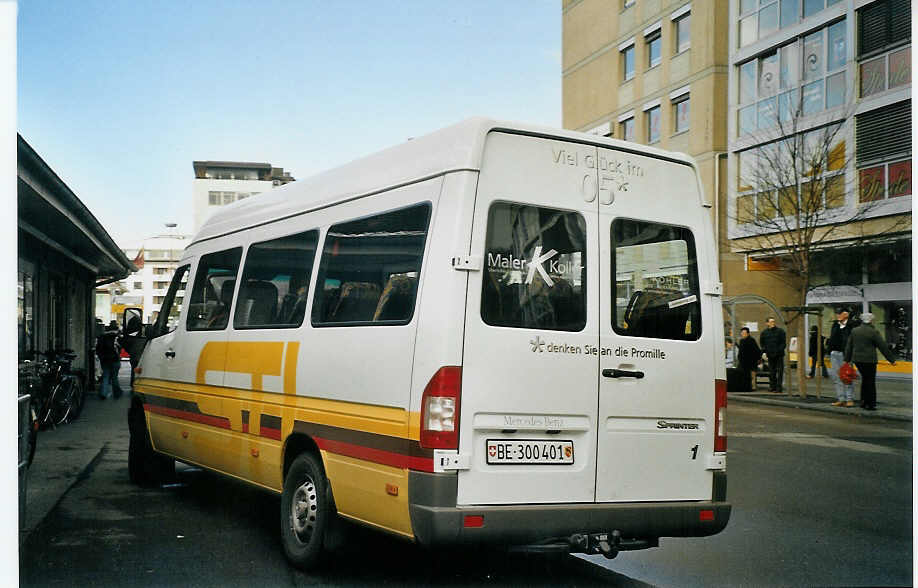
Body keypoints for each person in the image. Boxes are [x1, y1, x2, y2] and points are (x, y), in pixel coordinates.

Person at [844, 312, 896, 411]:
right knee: (870, 381)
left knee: (865, 380)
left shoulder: (855, 331)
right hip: (869, 360)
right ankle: (870, 404)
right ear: (871, 321)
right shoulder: (873, 332)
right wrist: (891, 360)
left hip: (857, 360)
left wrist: (847, 359)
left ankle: (863, 402)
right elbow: (882, 346)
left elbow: (849, 346)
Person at [826, 307, 859, 407]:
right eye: (837, 313)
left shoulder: (852, 325)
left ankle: (849, 399)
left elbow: (852, 339)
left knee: (847, 376)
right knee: (836, 377)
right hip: (834, 353)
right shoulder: (835, 325)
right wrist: (829, 351)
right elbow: (832, 338)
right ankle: (841, 398)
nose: (838, 315)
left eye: (840, 313)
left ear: (846, 314)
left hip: (846, 354)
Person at [96, 320, 124, 400]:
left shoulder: (102, 336)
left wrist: (101, 357)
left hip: (105, 359)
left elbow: (98, 348)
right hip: (115, 359)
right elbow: (120, 347)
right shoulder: (117, 337)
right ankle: (117, 393)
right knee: (114, 376)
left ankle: (103, 393)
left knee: (106, 375)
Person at [759, 317, 786, 392]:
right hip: (770, 355)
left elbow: (783, 343)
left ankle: (779, 387)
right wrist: (764, 352)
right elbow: (762, 343)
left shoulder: (780, 331)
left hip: (779, 355)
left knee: (780, 371)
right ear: (767, 323)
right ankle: (772, 386)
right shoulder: (764, 333)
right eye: (771, 322)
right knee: (772, 371)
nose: (772, 323)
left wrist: (779, 350)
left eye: (773, 321)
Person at [737, 327, 761, 391]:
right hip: (743, 361)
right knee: (744, 375)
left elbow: (757, 351)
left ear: (748, 334)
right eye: (742, 333)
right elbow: (740, 352)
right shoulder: (741, 341)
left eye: (744, 333)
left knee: (752, 375)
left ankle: (753, 387)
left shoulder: (752, 340)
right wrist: (739, 358)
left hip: (751, 361)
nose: (742, 334)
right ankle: (745, 387)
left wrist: (757, 359)